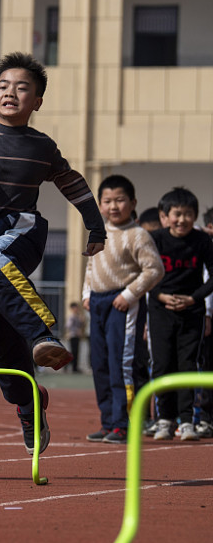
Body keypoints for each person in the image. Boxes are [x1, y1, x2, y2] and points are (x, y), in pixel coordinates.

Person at [0, 52, 106, 454]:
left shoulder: (42, 146)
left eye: (21, 88)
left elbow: (73, 182)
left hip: (21, 231)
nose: (10, 93)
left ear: (37, 101)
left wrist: (96, 225)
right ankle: (29, 403)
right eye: (3, 86)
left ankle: (42, 334)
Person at [82, 174, 164, 444]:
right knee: (100, 364)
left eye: (120, 200)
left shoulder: (138, 235)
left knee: (121, 365)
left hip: (123, 304)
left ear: (133, 202)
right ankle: (108, 422)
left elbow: (154, 270)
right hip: (97, 302)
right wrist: (86, 293)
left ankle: (123, 424)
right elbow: (92, 265)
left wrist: (129, 295)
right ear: (100, 204)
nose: (113, 206)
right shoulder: (98, 232)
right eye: (107, 201)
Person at [147, 187, 213, 441]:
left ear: (195, 216)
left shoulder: (202, 241)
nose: (182, 219)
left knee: (187, 364)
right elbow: (144, 273)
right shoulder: (155, 239)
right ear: (165, 215)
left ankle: (186, 421)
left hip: (191, 310)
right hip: (160, 309)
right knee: (163, 363)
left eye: (188, 214)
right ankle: (164, 419)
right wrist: (160, 295)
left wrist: (193, 298)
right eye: (177, 214)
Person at [64, 302, 86, 373]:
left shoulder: (78, 316)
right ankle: (69, 365)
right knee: (73, 352)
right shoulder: (72, 317)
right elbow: (68, 326)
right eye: (75, 308)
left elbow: (82, 325)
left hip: (77, 336)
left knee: (76, 352)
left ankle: (75, 367)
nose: (77, 309)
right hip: (73, 336)